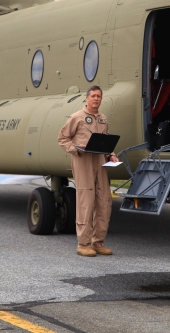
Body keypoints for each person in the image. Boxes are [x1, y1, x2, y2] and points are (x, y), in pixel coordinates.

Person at [57, 85, 119, 257]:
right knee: (86, 202)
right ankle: (83, 244)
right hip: (83, 161)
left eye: (99, 96)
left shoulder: (103, 119)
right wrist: (75, 149)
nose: (96, 99)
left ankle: (98, 242)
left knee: (104, 202)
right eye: (93, 96)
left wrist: (112, 155)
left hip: (100, 161)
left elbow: (106, 141)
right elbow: (62, 138)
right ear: (87, 98)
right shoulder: (77, 117)